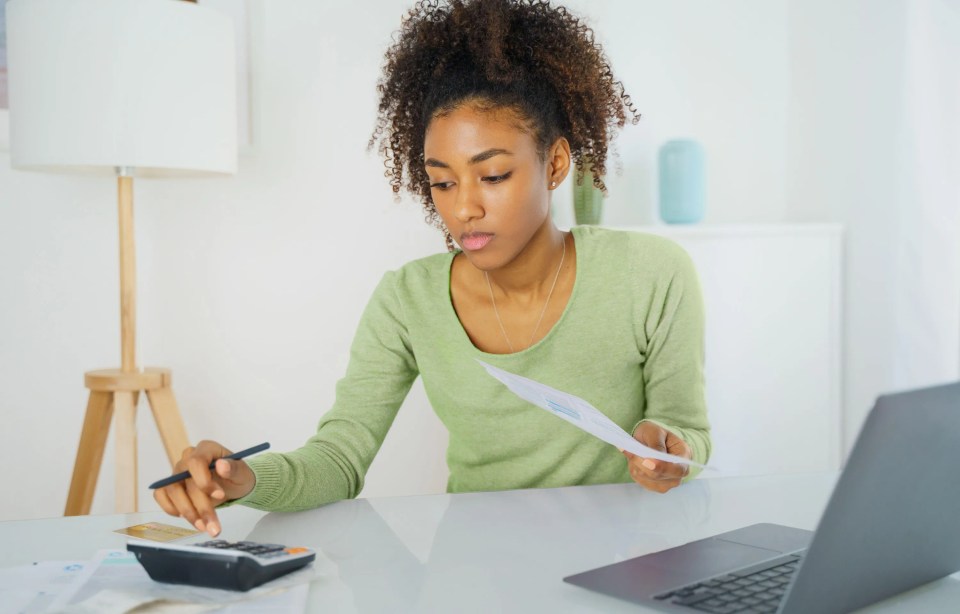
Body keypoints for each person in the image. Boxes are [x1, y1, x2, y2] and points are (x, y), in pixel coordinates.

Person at [155, 0, 710, 538]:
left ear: (556, 162)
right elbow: (339, 459)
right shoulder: (407, 300)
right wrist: (244, 479)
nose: (462, 207)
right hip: (474, 571)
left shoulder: (651, 274)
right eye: (442, 182)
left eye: (492, 176)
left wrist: (668, 451)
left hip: (620, 557)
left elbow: (688, 432)